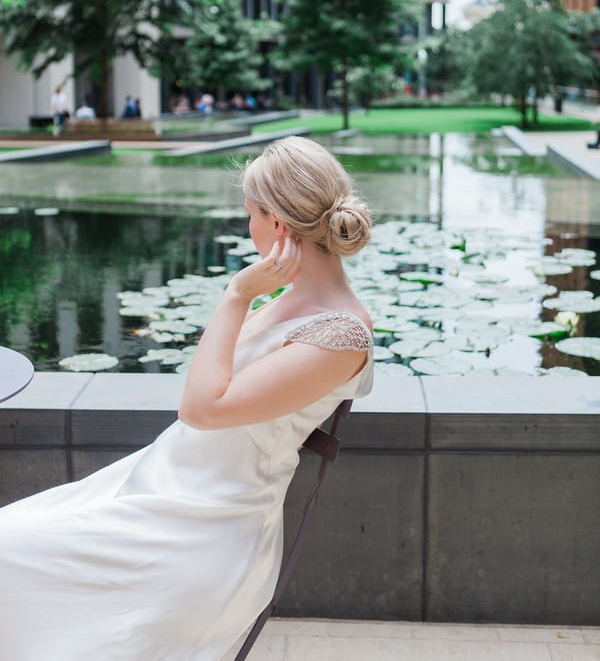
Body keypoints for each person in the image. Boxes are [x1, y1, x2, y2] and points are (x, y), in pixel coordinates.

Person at [0, 136, 374, 660]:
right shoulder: (290, 299)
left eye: (251, 215)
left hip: (204, 525)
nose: (249, 229)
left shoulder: (340, 335)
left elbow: (200, 410)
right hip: (156, 487)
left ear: (278, 225)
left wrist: (237, 295)